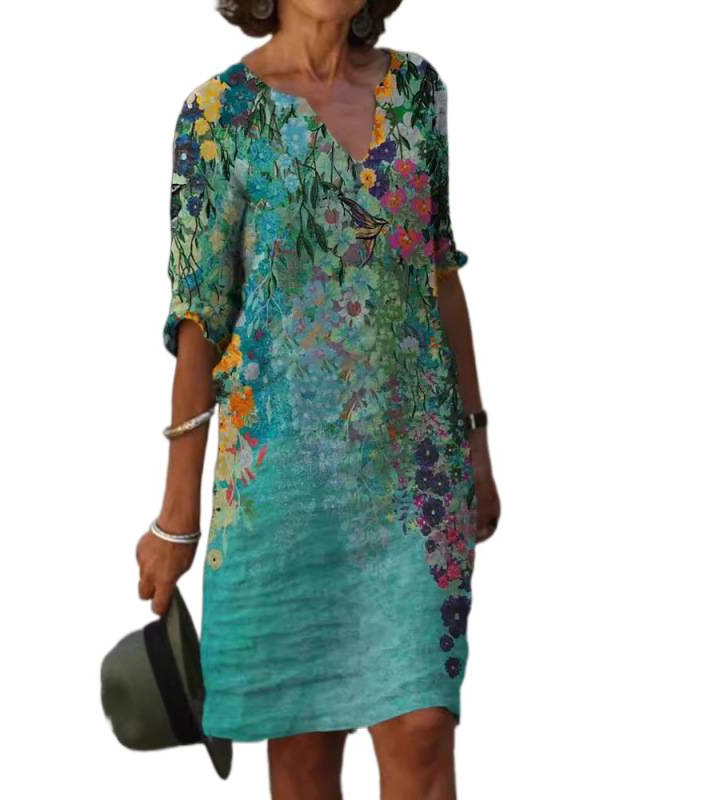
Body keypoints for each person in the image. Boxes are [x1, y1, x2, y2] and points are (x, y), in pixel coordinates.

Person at [135, 1, 501, 797]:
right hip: (281, 497)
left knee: (423, 732)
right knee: (302, 757)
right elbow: (200, 321)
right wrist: (176, 516)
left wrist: (476, 440)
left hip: (415, 485)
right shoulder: (217, 115)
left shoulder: (417, 92)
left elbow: (439, 271)